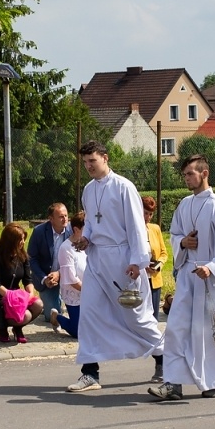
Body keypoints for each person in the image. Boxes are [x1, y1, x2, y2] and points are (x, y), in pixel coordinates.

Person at [68, 140, 164, 392]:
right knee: (88, 314)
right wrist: (85, 238)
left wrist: (138, 261)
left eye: (93, 161)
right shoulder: (88, 190)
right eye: (85, 162)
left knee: (135, 317)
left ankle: (165, 359)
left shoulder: (124, 187)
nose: (88, 166)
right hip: (97, 259)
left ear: (105, 158)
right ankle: (90, 373)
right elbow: (90, 222)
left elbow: (136, 225)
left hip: (123, 259)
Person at [152, 154, 215, 401]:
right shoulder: (184, 204)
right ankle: (173, 383)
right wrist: (183, 242)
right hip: (189, 279)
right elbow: (175, 235)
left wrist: (212, 267)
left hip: (212, 281)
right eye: (185, 174)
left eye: (190, 173)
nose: (187, 178)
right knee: (176, 329)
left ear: (205, 173)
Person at [0, 222, 42, 344]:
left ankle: (18, 328)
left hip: (17, 296)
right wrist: (11, 297)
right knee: (26, 315)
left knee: (38, 304)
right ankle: (2, 328)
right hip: (1, 297)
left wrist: (30, 295)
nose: (23, 242)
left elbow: (28, 280)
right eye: (20, 240)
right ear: (10, 241)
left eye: (23, 239)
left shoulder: (23, 256)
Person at [28, 203, 70, 324]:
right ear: (51, 219)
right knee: (52, 315)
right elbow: (32, 259)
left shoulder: (72, 231)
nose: (65, 219)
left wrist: (59, 273)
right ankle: (50, 303)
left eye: (66, 216)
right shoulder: (39, 232)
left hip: (68, 276)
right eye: (61, 216)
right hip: (48, 279)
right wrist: (44, 278)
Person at [53, 211, 87, 339]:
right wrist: (89, 290)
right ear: (76, 229)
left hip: (90, 292)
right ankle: (57, 318)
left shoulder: (89, 244)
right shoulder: (66, 248)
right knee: (78, 332)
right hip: (75, 295)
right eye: (86, 229)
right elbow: (72, 280)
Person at [143, 197, 169, 316]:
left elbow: (164, 253)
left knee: (153, 316)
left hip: (154, 278)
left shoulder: (155, 228)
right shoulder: (130, 229)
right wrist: (142, 266)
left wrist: (158, 265)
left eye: (150, 214)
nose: (147, 217)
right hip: (140, 278)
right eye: (145, 213)